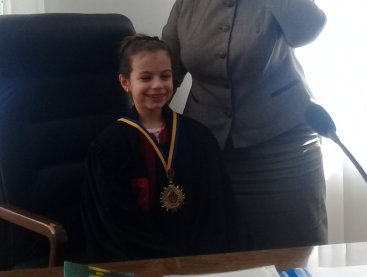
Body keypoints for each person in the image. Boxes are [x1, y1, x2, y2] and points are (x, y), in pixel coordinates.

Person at [161, 0, 328, 249]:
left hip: (282, 148)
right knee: (215, 249)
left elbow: (308, 29)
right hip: (209, 150)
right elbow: (169, 68)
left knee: (291, 250)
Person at [81, 34, 249, 262]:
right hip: (141, 263)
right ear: (125, 83)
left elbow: (219, 211)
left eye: (165, 76)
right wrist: (167, 262)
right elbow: (113, 226)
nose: (158, 85)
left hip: (199, 261)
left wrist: (197, 262)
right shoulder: (108, 149)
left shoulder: (199, 138)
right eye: (146, 77)